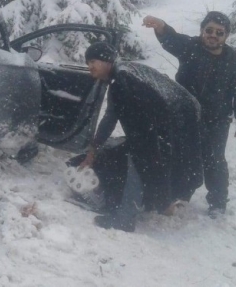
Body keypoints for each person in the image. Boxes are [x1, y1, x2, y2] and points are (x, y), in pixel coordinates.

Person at [79, 42, 203, 232]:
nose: (90, 68)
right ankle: (163, 203)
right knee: (147, 155)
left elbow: (142, 129)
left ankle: (126, 218)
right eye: (88, 64)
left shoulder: (124, 81)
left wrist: (142, 149)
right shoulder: (122, 76)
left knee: (141, 158)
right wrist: (94, 148)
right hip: (178, 118)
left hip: (178, 121)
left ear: (106, 60)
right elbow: (110, 117)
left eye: (93, 61)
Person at [142, 12, 236, 218]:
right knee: (182, 154)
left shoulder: (234, 59)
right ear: (202, 31)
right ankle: (182, 194)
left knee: (214, 160)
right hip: (186, 114)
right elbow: (172, 39)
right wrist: (161, 25)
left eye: (219, 32)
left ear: (226, 36)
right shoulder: (190, 47)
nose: (213, 35)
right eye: (209, 30)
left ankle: (218, 202)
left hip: (218, 119)